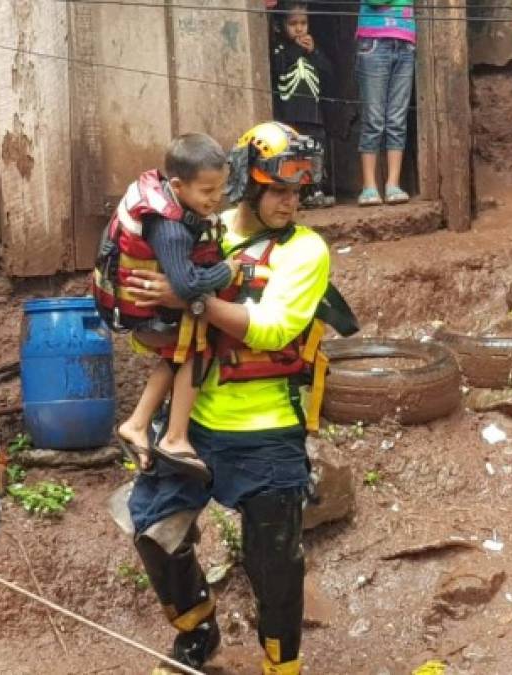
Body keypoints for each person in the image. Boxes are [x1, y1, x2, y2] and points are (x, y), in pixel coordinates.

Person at [122, 122, 355, 675]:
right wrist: (147, 308)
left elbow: (272, 329)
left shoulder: (308, 252)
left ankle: (282, 666)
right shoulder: (205, 226)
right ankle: (197, 637)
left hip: (268, 431)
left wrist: (190, 299)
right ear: (248, 186)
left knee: (274, 565)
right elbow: (154, 323)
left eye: (298, 192)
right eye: (278, 190)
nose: (290, 202)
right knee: (154, 529)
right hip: (195, 421)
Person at [91, 133, 239, 483]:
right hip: (147, 318)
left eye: (221, 189)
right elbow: (186, 285)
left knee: (178, 351)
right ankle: (175, 438)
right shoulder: (170, 229)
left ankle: (137, 424)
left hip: (142, 312)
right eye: (207, 192)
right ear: (177, 184)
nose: (216, 199)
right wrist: (225, 271)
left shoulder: (163, 195)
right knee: (196, 347)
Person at [271, 0, 335, 209]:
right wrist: (297, 50)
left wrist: (314, 52)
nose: (299, 28)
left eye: (303, 23)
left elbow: (328, 74)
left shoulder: (313, 51)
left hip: (313, 114)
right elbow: (278, 70)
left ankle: (314, 190)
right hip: (290, 115)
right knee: (293, 155)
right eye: (293, 24)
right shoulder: (280, 50)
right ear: (280, 26)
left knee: (315, 152)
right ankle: (295, 192)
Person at [354, 0, 416, 207]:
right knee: (373, 118)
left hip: (405, 41)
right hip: (374, 41)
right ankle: (369, 186)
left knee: (397, 119)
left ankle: (393, 184)